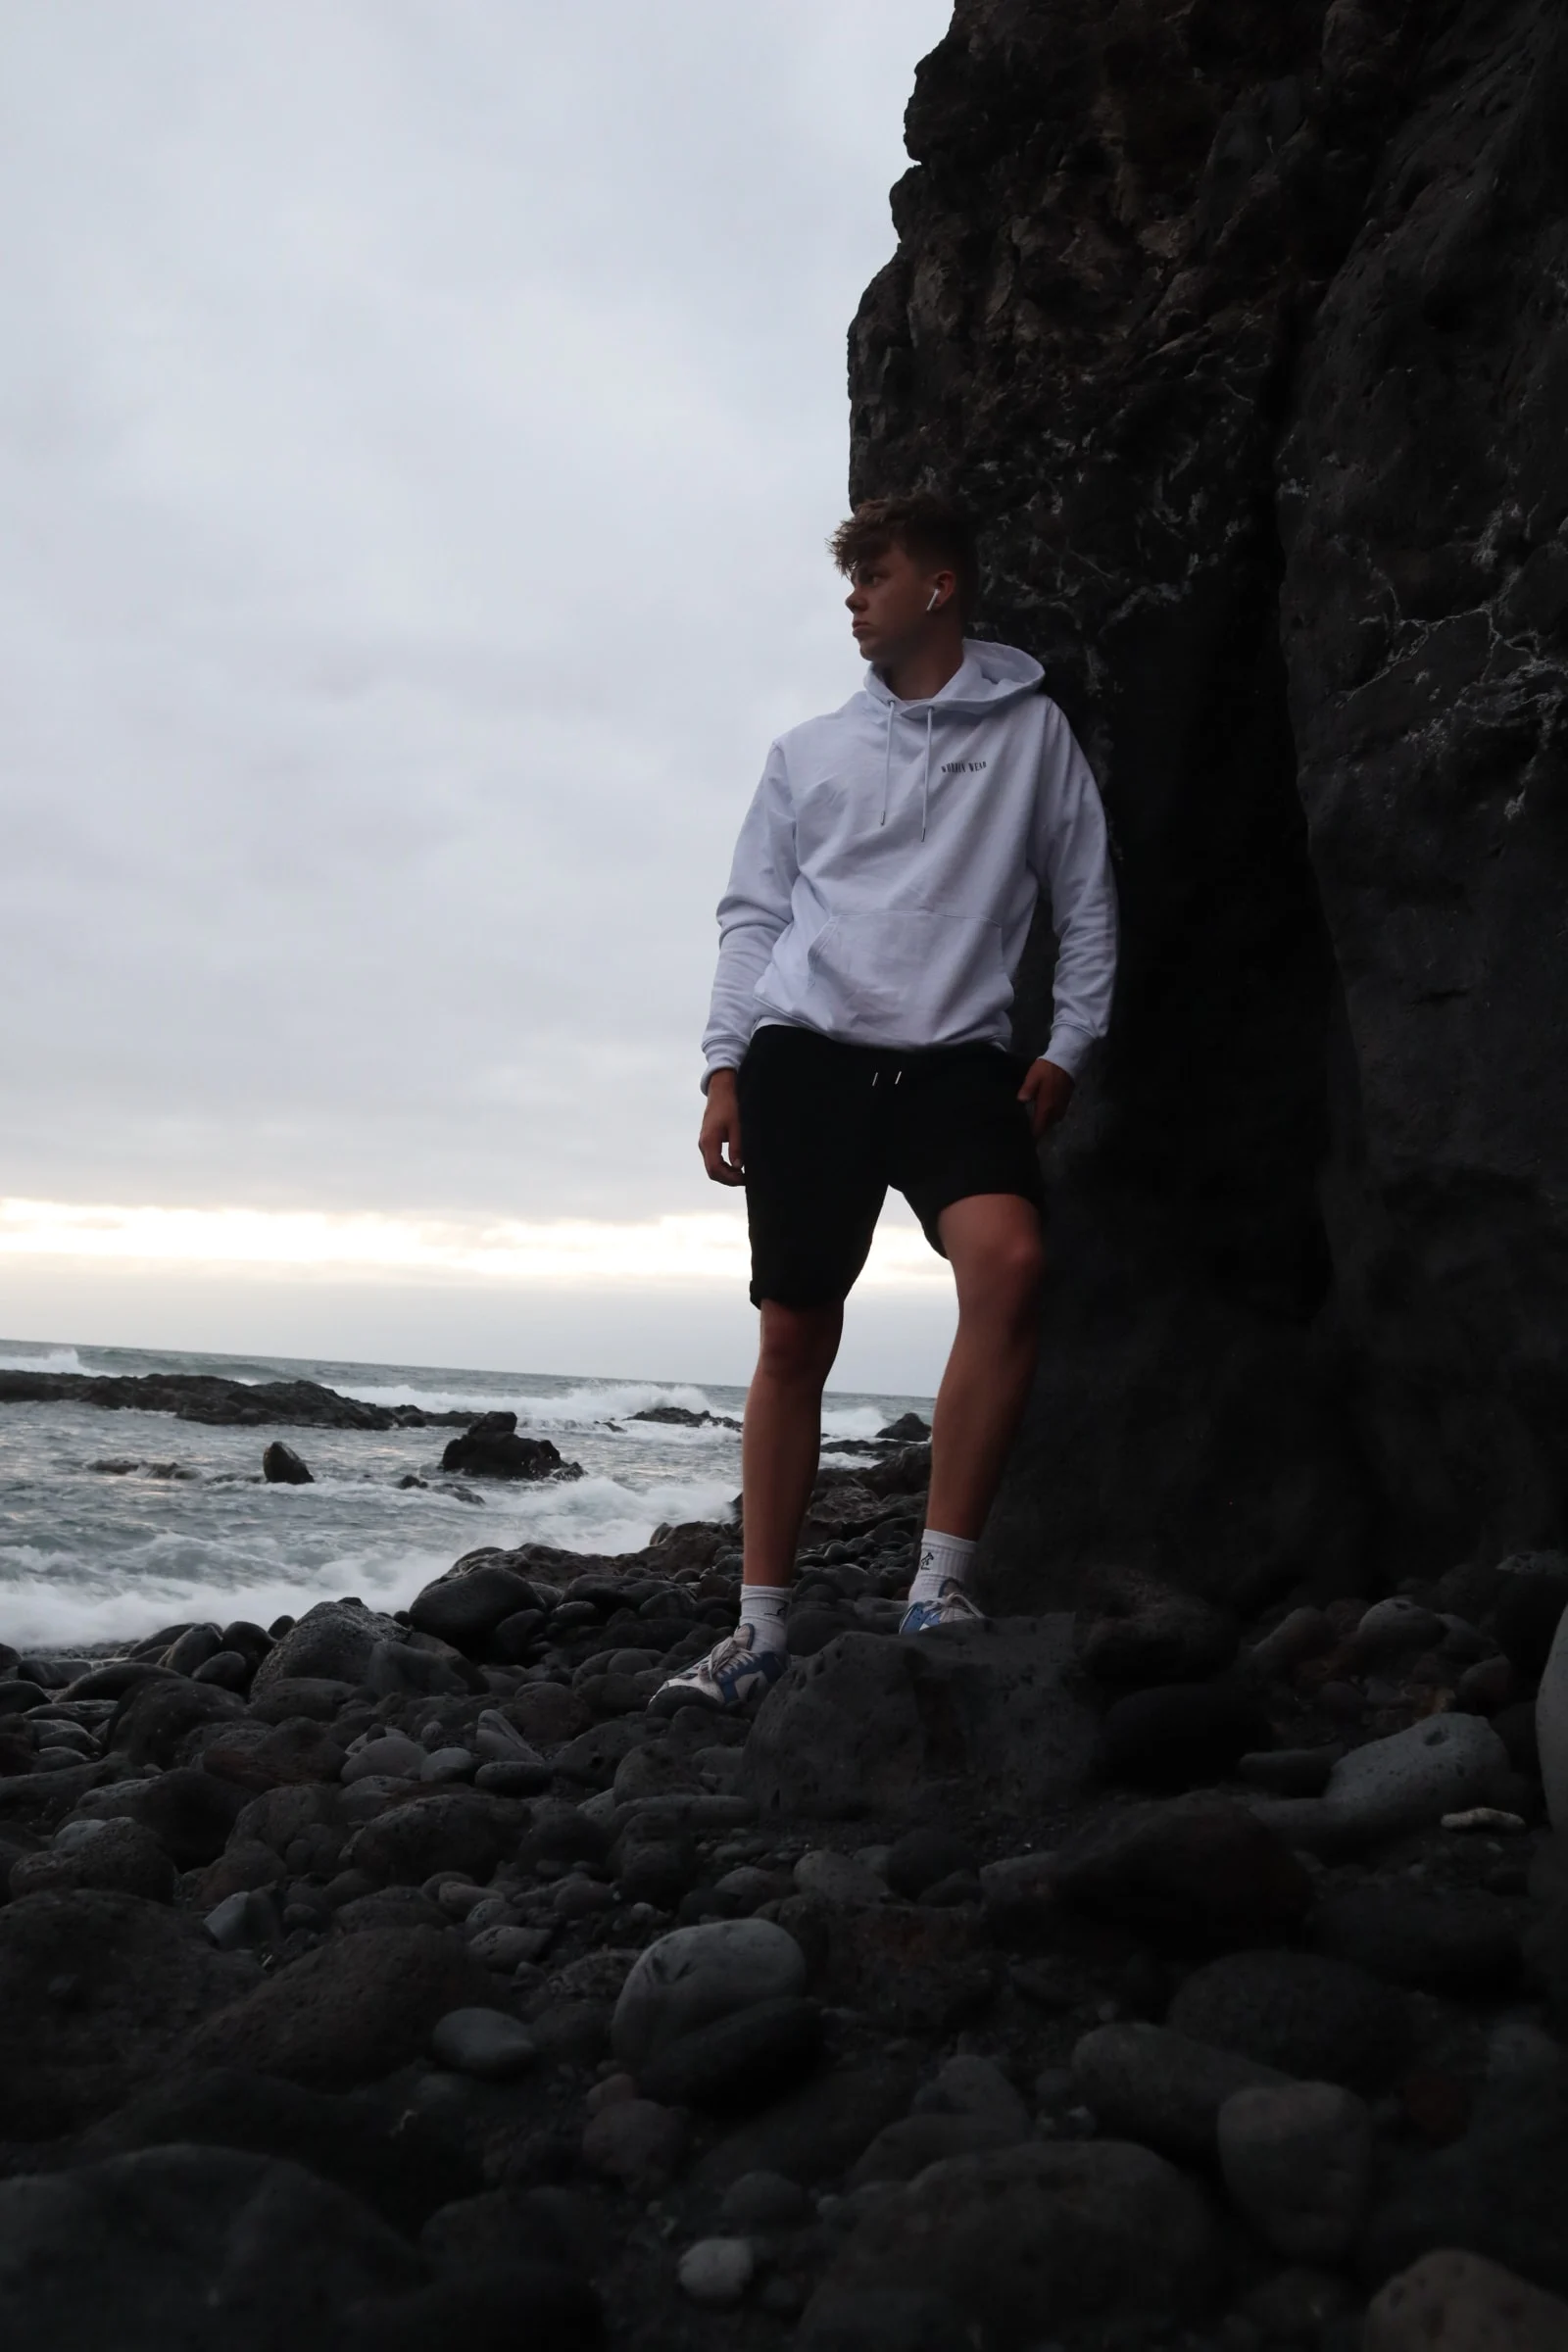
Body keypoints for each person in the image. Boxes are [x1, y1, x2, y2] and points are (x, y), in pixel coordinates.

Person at [651, 491, 1117, 1714]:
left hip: (957, 1061)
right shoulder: (807, 752)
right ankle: (757, 1628)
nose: (854, 599)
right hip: (805, 1056)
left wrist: (1069, 1042)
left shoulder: (1031, 735)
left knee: (1010, 1262)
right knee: (794, 1335)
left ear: (939, 588)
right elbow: (753, 917)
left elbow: (1085, 897)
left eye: (874, 575)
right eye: (850, 580)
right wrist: (723, 1067)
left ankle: (938, 1585)